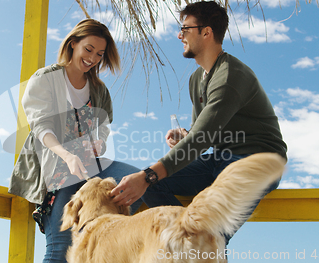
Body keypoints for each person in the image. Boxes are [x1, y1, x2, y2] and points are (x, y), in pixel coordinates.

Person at [111, 0, 287, 245]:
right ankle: (189, 237)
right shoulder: (197, 78)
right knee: (154, 187)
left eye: (185, 29)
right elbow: (201, 134)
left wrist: (148, 174)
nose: (179, 34)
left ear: (207, 32)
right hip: (219, 159)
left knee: (207, 233)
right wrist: (185, 138)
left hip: (256, 163)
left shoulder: (230, 76)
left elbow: (200, 139)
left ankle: (198, 240)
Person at [9, 19, 141, 263]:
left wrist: (99, 143)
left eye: (99, 54)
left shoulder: (99, 90)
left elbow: (103, 128)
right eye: (88, 49)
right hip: (57, 167)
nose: (92, 58)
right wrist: (67, 155)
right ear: (73, 44)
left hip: (90, 165)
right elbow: (41, 127)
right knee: (59, 246)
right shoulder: (46, 78)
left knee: (136, 182)